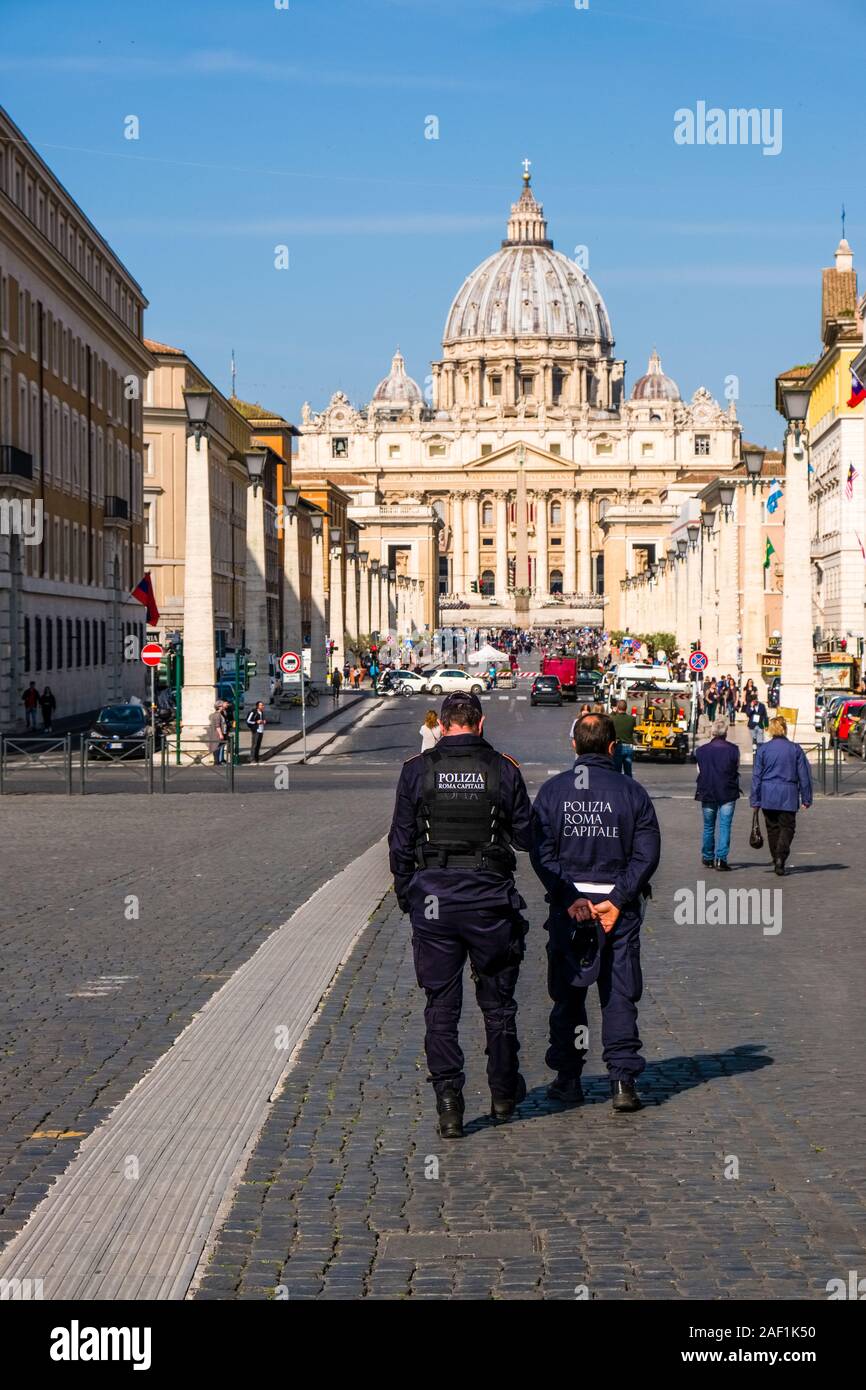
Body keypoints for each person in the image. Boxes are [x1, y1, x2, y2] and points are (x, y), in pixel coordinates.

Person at [388, 692, 532, 1139]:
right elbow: (527, 836)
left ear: (444, 724)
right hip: (489, 901)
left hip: (435, 902)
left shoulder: (416, 770)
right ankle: (504, 1092)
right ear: (481, 723)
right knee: (499, 1006)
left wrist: (408, 892)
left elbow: (400, 841)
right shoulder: (504, 769)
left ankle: (449, 1102)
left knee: (441, 1008)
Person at [530, 712, 661, 1113]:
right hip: (616, 912)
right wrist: (618, 899)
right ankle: (622, 1081)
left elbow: (540, 852)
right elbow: (648, 853)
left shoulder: (553, 792)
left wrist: (570, 896)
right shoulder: (632, 792)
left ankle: (568, 1079)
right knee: (619, 994)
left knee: (568, 995)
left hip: (571, 911)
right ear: (612, 747)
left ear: (574, 747)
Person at [750, 715, 812, 876]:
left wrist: (755, 800)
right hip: (788, 794)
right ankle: (781, 856)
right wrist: (806, 797)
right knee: (788, 827)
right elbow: (804, 775)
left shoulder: (763, 749)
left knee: (772, 828)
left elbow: (756, 776)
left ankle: (776, 856)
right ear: (785, 728)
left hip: (768, 793)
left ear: (770, 730)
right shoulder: (794, 748)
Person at [694, 715, 740, 871]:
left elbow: (700, 770)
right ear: (725, 733)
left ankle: (707, 857)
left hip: (707, 790)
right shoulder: (733, 750)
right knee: (725, 825)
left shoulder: (701, 751)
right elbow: (735, 768)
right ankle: (721, 859)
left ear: (712, 733)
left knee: (708, 826)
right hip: (727, 790)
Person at [611, 699, 636, 777]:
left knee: (617, 771)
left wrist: (614, 712)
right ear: (626, 708)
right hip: (629, 746)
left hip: (618, 746)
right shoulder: (632, 719)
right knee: (628, 772)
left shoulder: (613, 719)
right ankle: (629, 787)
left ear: (617, 707)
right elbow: (633, 730)